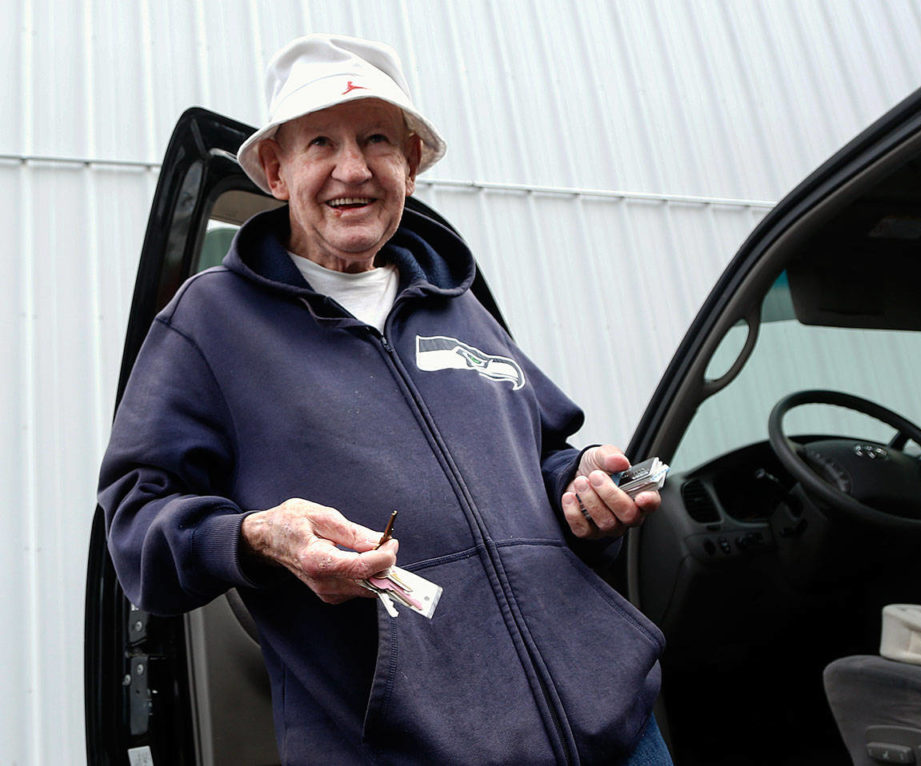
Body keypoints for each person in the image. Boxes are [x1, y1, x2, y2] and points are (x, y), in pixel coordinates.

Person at [99, 33, 670, 765]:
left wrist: (584, 481)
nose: (353, 169)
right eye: (320, 145)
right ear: (276, 170)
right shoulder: (209, 325)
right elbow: (137, 524)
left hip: (615, 725)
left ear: (410, 163)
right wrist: (255, 536)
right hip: (411, 748)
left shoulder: (459, 306)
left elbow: (544, 458)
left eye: (377, 141)